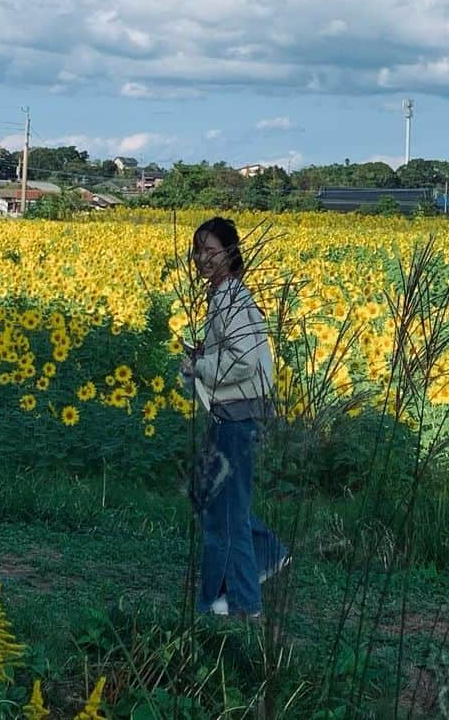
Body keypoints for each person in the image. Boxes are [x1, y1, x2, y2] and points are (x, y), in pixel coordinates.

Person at [180, 216, 290, 619]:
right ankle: (244, 577)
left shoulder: (230, 299)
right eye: (198, 251)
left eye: (211, 250)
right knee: (219, 505)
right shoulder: (227, 296)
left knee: (225, 514)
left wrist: (201, 366)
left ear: (231, 252)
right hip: (236, 415)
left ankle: (242, 604)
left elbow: (241, 362)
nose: (202, 259)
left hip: (237, 419)